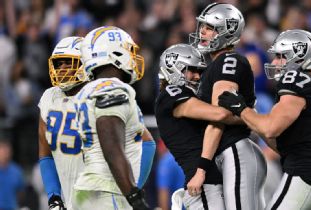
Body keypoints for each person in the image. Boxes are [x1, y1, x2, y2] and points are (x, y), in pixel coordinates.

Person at [218, 29, 311, 210]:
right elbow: (280, 144)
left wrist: (241, 109)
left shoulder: (294, 78)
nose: (274, 62)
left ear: (298, 57)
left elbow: (271, 128)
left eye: (281, 56)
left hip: (304, 178)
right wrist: (249, 118)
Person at [187, 3, 267, 210]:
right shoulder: (214, 65)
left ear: (226, 31)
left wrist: (202, 167)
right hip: (232, 153)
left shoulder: (228, 60)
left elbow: (220, 114)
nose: (202, 31)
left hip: (235, 150)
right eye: (202, 26)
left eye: (209, 27)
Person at [156, 43, 243, 209]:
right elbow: (220, 114)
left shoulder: (182, 96)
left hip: (208, 181)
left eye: (200, 72)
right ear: (175, 67)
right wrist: (247, 114)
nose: (197, 76)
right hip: (203, 184)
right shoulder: (170, 95)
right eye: (193, 70)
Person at [72, 26, 150, 210]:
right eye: (129, 50)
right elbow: (112, 148)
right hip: (109, 191)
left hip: (89, 191)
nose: (132, 57)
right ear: (115, 52)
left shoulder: (87, 91)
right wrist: (134, 196)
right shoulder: (113, 88)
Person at [38, 36, 87, 210]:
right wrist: (54, 196)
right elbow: (45, 153)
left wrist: (133, 191)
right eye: (59, 63)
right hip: (69, 199)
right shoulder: (49, 98)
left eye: (68, 62)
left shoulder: (100, 94)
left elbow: (147, 142)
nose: (62, 68)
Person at [0, 138, 25, 210]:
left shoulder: (16, 170)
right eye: (3, 151)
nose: (5, 154)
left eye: (7, 151)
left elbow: (21, 192)